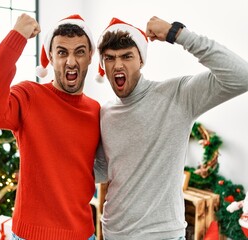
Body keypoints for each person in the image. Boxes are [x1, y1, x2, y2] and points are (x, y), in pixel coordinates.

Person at [94, 16, 248, 239]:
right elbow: (101, 170)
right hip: (113, 232)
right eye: (110, 58)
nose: (118, 64)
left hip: (162, 234)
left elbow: (241, 76)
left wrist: (178, 34)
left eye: (127, 56)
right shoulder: (105, 113)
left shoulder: (177, 95)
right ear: (103, 65)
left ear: (141, 61)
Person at [0, 13, 100, 240]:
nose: (70, 61)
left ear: (90, 56)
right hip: (30, 235)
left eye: (79, 52)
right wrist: (15, 39)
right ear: (50, 57)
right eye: (62, 52)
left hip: (83, 235)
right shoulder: (29, 96)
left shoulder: (96, 111)